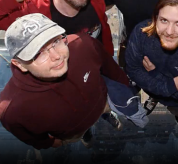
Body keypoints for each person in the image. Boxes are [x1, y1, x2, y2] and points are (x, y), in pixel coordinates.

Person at [0, 0, 142, 129]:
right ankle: (86, 128)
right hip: (60, 74)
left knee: (101, 94)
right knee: (79, 108)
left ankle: (105, 113)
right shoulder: (33, 11)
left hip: (97, 63)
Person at [0, 13, 130, 150]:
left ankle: (107, 115)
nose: (57, 56)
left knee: (105, 110)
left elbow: (110, 68)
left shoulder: (84, 45)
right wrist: (49, 143)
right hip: (74, 131)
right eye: (38, 53)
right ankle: (86, 134)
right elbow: (30, 136)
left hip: (101, 104)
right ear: (19, 64)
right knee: (82, 132)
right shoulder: (11, 111)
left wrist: (124, 87)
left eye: (56, 41)